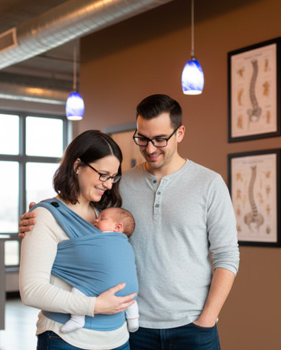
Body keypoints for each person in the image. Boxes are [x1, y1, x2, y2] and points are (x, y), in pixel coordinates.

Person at [22, 94, 240, 350]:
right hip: (133, 326)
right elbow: (77, 219)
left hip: (192, 326)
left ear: (179, 133)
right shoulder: (118, 185)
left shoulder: (209, 184)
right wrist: (33, 222)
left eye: (160, 139)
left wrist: (207, 318)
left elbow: (227, 255)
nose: (149, 148)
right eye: (143, 138)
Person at [19, 130, 138, 350]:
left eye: (113, 177)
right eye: (103, 175)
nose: (109, 184)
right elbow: (31, 290)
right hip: (68, 340)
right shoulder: (45, 216)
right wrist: (94, 305)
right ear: (77, 166)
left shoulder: (107, 215)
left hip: (118, 339)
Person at [61, 207, 140, 334]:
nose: (96, 220)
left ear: (117, 227)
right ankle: (134, 320)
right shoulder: (127, 244)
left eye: (102, 218)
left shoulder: (98, 238)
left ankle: (77, 319)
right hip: (131, 290)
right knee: (131, 301)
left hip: (102, 286)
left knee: (78, 290)